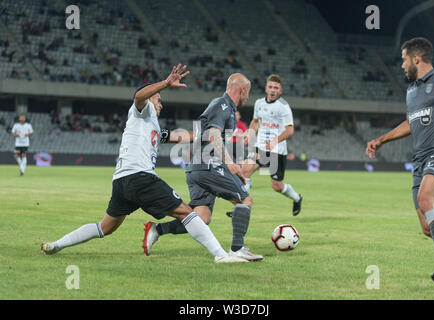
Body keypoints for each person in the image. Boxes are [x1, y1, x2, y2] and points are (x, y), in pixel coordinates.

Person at [41, 64, 247, 264]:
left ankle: (56, 245)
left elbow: (178, 136)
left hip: (121, 182)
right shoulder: (141, 110)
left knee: (105, 227)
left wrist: (210, 133)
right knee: (187, 213)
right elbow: (139, 96)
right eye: (158, 99)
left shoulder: (151, 125)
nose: (161, 104)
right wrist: (166, 83)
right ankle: (221, 255)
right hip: (140, 177)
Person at [143, 73, 263, 262]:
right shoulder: (222, 105)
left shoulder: (224, 108)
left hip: (198, 168)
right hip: (209, 166)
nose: (247, 97)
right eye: (248, 92)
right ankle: (237, 249)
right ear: (242, 89)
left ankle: (158, 229)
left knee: (201, 218)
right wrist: (230, 164)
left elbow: (199, 136)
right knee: (245, 200)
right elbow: (214, 135)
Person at [366, 37, 434, 283]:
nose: (402, 65)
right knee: (427, 226)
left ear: (416, 58)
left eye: (403, 60)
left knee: (426, 200)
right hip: (420, 161)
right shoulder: (411, 91)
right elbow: (410, 122)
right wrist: (382, 139)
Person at [240, 74, 302, 216]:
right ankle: (244, 207)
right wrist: (249, 133)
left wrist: (274, 141)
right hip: (260, 148)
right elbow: (256, 121)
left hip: (277, 151)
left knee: (276, 186)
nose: (273, 90)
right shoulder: (259, 103)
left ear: (281, 91)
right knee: (245, 172)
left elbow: (290, 130)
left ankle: (297, 198)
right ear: (266, 88)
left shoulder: (283, 107)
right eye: (270, 87)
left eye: (276, 88)